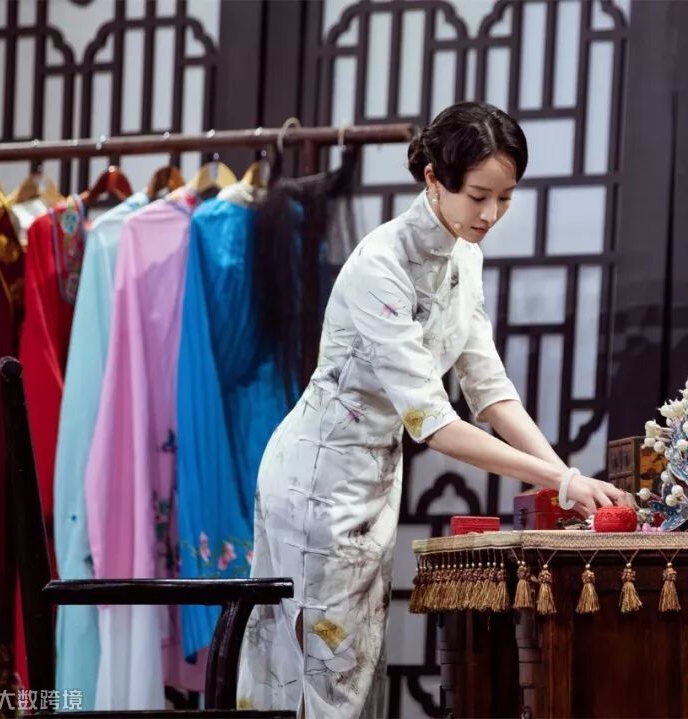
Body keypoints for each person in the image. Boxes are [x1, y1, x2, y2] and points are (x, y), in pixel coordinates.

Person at [236, 101, 634, 718]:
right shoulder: (381, 265)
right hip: (318, 479)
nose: (490, 214)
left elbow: (488, 387)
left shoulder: (463, 256)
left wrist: (565, 478)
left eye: (504, 199)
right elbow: (435, 424)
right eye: (478, 196)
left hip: (374, 477)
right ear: (433, 178)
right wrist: (560, 482)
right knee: (326, 672)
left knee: (357, 667)